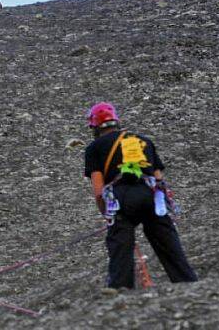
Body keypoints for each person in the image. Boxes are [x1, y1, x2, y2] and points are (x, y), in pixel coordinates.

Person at [84, 102, 198, 289]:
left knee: (120, 245)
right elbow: (159, 178)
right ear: (116, 121)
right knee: (167, 242)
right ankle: (187, 282)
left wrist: (107, 214)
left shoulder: (94, 148)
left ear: (95, 126)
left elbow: (99, 191)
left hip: (121, 198)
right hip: (151, 195)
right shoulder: (143, 140)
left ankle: (120, 290)